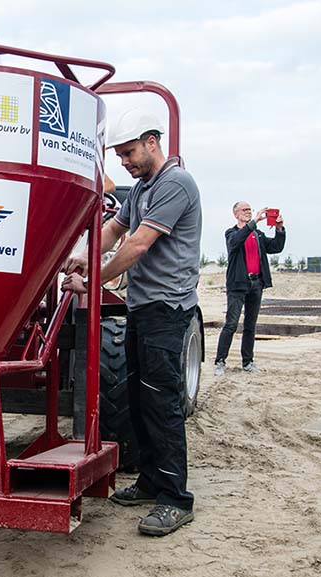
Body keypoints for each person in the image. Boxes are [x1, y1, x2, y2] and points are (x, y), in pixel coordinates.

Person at [62, 109, 202, 536]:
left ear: (151, 142)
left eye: (129, 153)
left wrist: (93, 280)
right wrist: (83, 254)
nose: (124, 162)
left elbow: (138, 244)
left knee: (162, 402)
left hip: (167, 309)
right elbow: (114, 229)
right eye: (120, 155)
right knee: (140, 399)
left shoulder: (176, 184)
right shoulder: (142, 189)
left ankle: (175, 499)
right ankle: (149, 481)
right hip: (143, 306)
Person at [213, 202, 286, 376]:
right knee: (231, 324)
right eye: (245, 210)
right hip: (238, 284)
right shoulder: (231, 233)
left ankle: (247, 362)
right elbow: (235, 242)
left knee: (250, 325)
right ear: (236, 214)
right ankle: (220, 361)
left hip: (256, 284)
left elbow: (276, 247)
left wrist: (279, 228)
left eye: (250, 210)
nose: (248, 212)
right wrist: (254, 221)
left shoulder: (258, 235)